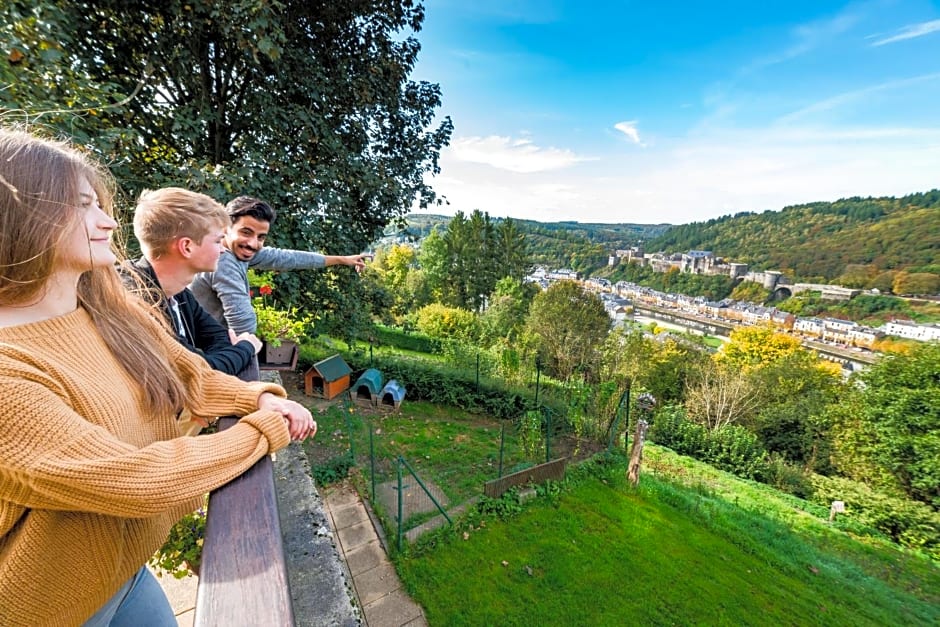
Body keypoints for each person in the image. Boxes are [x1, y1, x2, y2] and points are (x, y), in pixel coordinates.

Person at [0, 128, 316, 625]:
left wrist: (255, 397)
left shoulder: (106, 307)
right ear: (23, 215)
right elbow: (134, 477)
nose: (108, 222)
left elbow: (190, 373)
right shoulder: (7, 374)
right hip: (53, 607)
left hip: (125, 572)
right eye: (86, 206)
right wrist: (267, 430)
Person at [125, 187, 262, 377]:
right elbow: (196, 373)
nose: (223, 250)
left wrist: (220, 357)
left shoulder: (178, 292)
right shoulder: (136, 301)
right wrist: (246, 348)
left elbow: (219, 338)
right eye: (217, 241)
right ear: (187, 247)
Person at [189, 196, 368, 335]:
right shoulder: (224, 261)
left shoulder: (238, 252)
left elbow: (287, 258)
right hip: (206, 352)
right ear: (226, 228)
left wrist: (342, 259)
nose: (253, 244)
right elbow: (243, 324)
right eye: (246, 232)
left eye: (261, 237)